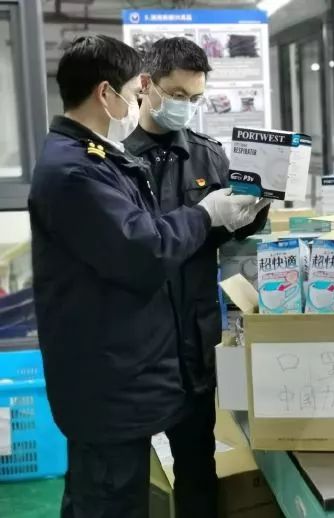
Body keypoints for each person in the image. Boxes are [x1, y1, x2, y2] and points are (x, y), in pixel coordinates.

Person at [29, 35, 268, 518]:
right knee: (110, 494)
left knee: (189, 471)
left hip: (172, 345)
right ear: (109, 93)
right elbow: (144, 248)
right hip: (113, 365)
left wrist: (249, 209)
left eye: (195, 98)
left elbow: (168, 238)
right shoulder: (85, 168)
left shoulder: (186, 154)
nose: (138, 101)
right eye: (136, 92)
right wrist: (205, 214)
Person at [124, 37, 269, 518]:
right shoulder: (117, 163)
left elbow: (232, 230)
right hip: (138, 347)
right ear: (146, 85)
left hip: (194, 342)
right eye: (177, 95)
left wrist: (258, 205)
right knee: (128, 475)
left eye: (195, 98)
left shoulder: (210, 157)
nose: (185, 106)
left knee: (197, 470)